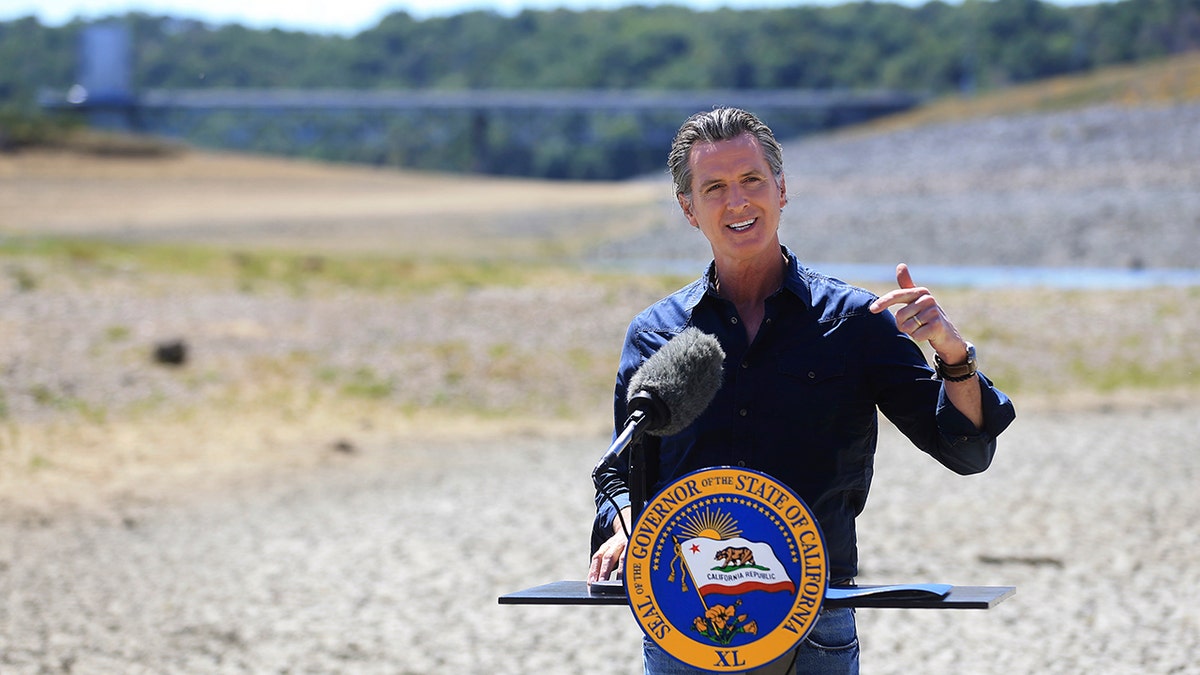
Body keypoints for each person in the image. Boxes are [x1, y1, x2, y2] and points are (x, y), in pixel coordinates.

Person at [587, 107, 1016, 674]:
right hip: (681, 617)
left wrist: (952, 354)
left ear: (781, 189)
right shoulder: (655, 334)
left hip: (814, 619)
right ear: (689, 210)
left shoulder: (857, 320)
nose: (737, 201)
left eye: (752, 180)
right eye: (714, 187)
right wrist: (623, 529)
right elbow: (622, 470)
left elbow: (966, 449)